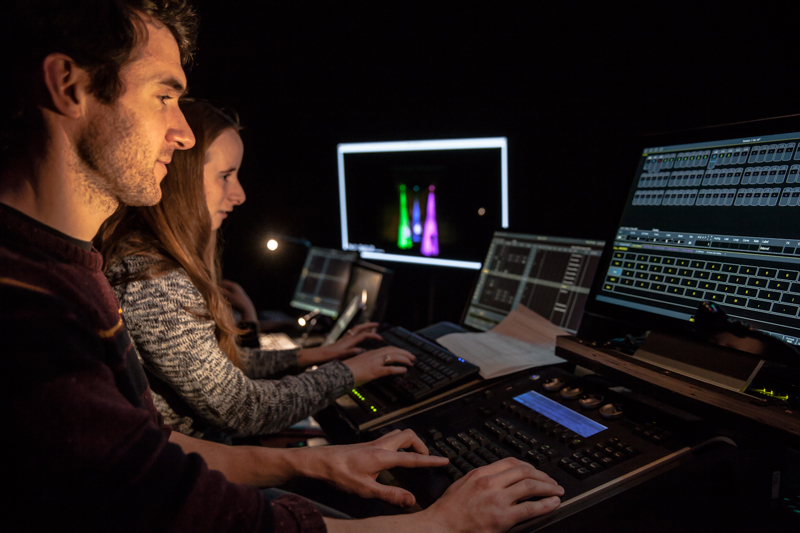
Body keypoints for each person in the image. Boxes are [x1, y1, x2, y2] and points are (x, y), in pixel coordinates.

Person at [0, 1, 564, 531]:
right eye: (163, 96)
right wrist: (436, 525)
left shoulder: (72, 271)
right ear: (69, 86)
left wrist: (318, 460)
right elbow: (173, 508)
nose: (184, 132)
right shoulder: (30, 311)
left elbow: (149, 455)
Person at [100, 104, 412, 438]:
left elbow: (225, 365)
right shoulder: (153, 280)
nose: (239, 194)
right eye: (225, 176)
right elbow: (243, 408)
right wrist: (349, 372)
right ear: (182, 179)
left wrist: (317, 354)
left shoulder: (151, 263)